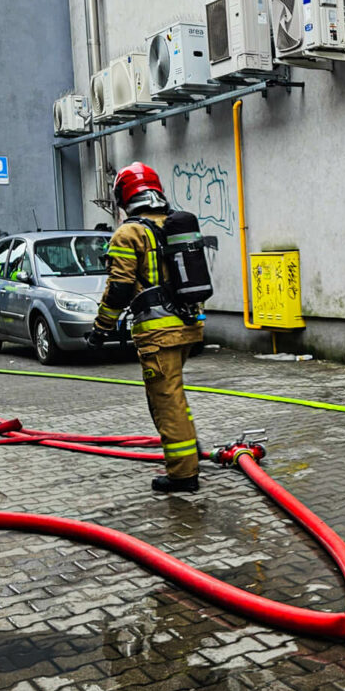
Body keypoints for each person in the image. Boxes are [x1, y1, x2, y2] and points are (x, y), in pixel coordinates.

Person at [88, 162, 205, 493]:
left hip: (158, 333)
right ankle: (191, 454)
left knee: (166, 401)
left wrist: (102, 328)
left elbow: (120, 287)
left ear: (125, 196)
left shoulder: (129, 233)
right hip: (186, 326)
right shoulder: (172, 224)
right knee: (174, 397)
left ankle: (184, 475)